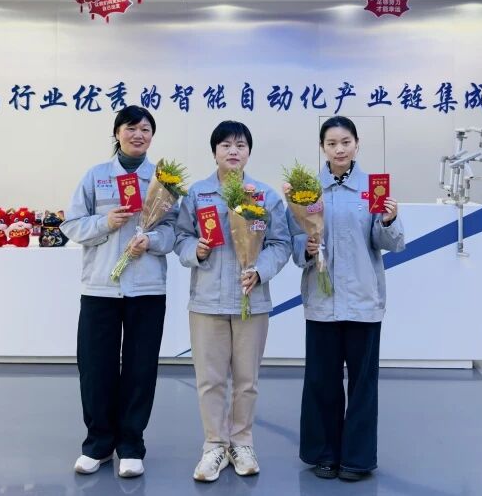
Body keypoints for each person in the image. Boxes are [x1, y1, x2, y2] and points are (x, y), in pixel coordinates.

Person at [61, 105, 177, 478]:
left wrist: (152, 240)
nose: (138, 134)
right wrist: (105, 222)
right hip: (101, 287)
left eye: (145, 129)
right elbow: (72, 225)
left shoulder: (164, 180)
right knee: (96, 368)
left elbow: (174, 232)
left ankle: (130, 445)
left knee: (141, 368)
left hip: (146, 287)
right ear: (117, 133)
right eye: (130, 128)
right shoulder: (96, 176)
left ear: (152, 136)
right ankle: (97, 443)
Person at [286, 115, 404, 482]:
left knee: (363, 384)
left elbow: (389, 243)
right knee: (321, 381)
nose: (339, 149)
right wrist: (305, 248)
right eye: (332, 143)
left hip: (363, 300)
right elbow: (294, 245)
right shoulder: (306, 191)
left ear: (357, 144)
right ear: (322, 148)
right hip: (322, 302)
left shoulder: (373, 188)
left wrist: (389, 220)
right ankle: (324, 453)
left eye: (346, 142)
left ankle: (357, 458)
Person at [174, 121, 291, 482]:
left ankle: (241, 442)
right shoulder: (198, 194)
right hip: (207, 301)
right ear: (215, 152)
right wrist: (195, 250)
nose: (233, 151)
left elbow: (281, 243)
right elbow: (180, 236)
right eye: (225, 145)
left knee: (246, 380)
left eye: (240, 145)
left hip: (250, 301)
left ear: (249, 152)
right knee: (209, 380)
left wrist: (261, 271)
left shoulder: (265, 195)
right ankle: (214, 445)